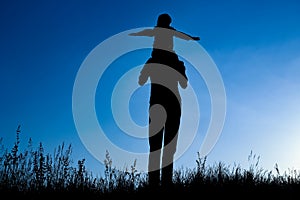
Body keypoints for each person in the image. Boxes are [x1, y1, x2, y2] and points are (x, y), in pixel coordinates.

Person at [129, 13, 200, 187]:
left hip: (161, 105)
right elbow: (183, 84)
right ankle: (162, 184)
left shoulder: (155, 61)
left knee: (158, 147)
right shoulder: (172, 62)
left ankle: (158, 184)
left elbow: (140, 81)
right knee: (163, 148)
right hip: (170, 105)